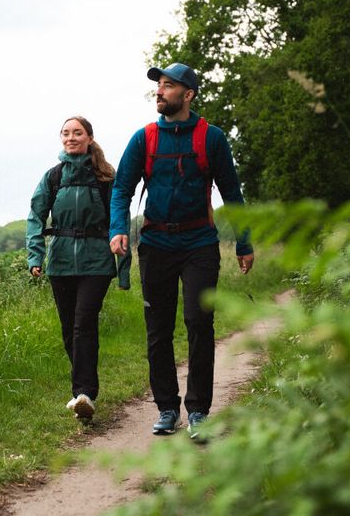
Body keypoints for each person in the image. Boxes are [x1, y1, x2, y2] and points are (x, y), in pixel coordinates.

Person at [109, 62, 254, 439]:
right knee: (158, 330)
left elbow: (232, 194)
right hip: (155, 244)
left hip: (199, 245)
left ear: (187, 95)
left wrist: (243, 241)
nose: (159, 92)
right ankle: (167, 408)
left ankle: (198, 411)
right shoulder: (144, 139)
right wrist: (118, 230)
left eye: (168, 86)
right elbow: (121, 189)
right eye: (158, 86)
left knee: (199, 324)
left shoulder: (212, 138)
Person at [27, 116, 131, 421]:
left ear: (89, 137)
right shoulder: (53, 177)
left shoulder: (105, 179)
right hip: (59, 262)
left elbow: (119, 224)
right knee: (68, 328)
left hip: (96, 261)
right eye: (66, 133)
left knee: (83, 323)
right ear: (61, 138)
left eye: (77, 133)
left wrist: (123, 270)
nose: (71, 138)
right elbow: (35, 217)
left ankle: (84, 393)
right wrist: (35, 257)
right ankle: (83, 393)